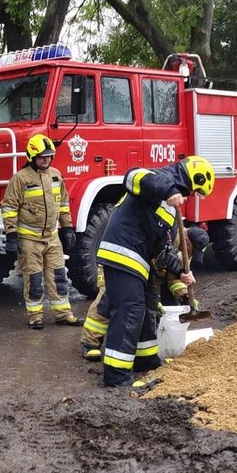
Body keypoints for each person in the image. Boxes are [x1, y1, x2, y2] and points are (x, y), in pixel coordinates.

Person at [96, 156, 214, 387]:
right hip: (122, 252)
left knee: (149, 305)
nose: (190, 196)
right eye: (193, 191)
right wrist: (169, 189)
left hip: (140, 259)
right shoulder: (161, 179)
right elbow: (131, 175)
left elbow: (161, 248)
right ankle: (117, 376)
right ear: (191, 179)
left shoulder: (170, 208)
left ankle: (146, 360)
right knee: (130, 309)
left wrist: (180, 270)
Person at [79, 225, 209, 361]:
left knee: (157, 307)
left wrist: (184, 295)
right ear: (187, 241)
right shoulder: (166, 237)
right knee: (107, 299)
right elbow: (147, 265)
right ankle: (90, 342)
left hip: (148, 271)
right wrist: (153, 300)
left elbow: (172, 277)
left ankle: (146, 341)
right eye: (192, 251)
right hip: (120, 261)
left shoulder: (184, 251)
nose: (192, 255)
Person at [1, 134, 82, 329]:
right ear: (31, 156)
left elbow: (63, 204)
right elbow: (9, 207)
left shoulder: (55, 175)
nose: (46, 160)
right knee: (34, 279)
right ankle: (35, 316)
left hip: (52, 237)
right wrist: (11, 235)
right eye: (42, 157)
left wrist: (68, 228)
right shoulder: (20, 178)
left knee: (59, 276)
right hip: (29, 239)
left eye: (49, 156)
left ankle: (63, 314)